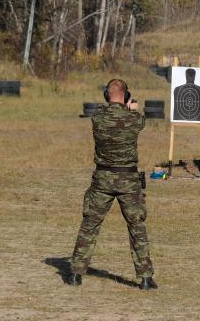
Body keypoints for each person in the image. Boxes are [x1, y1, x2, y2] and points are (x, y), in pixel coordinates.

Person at [67, 79, 157, 290]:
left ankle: (75, 274)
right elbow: (140, 121)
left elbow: (107, 115)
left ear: (106, 95)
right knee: (136, 226)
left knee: (90, 225)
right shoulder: (134, 119)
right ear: (126, 96)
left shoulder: (97, 118)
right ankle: (145, 277)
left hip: (102, 178)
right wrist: (131, 109)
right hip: (128, 179)